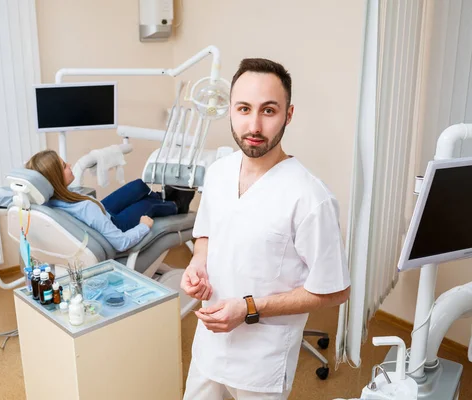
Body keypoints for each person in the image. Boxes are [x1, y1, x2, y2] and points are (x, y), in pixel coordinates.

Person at [180, 58, 351, 400]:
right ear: (229, 109)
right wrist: (198, 262)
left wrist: (248, 308)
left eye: (268, 111)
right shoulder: (218, 172)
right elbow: (206, 233)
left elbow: (334, 290)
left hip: (261, 364)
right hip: (208, 346)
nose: (254, 125)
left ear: (288, 115)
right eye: (244, 108)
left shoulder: (309, 197)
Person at [25, 150, 195, 252]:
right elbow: (121, 243)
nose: (69, 164)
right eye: (64, 166)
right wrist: (144, 226)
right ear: (55, 178)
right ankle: (177, 205)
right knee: (147, 205)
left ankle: (162, 198)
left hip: (101, 214)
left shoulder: (49, 199)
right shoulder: (85, 208)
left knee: (138, 186)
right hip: (116, 224)